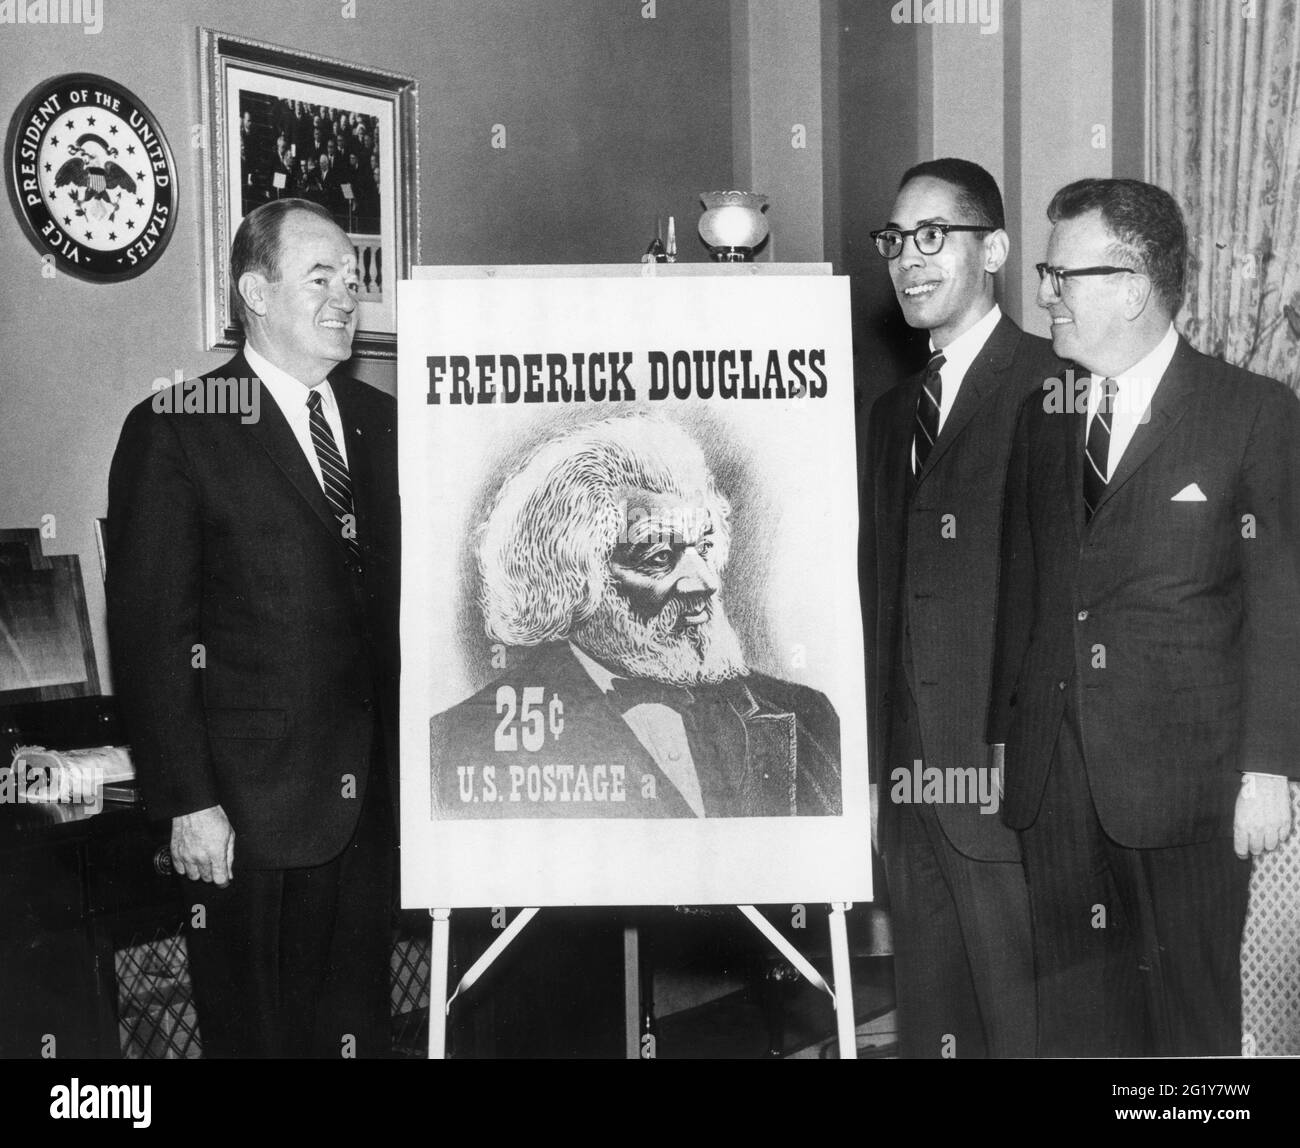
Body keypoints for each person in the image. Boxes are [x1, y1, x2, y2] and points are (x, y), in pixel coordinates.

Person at [991, 177, 1300, 1057]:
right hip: (1055, 787)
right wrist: (1006, 755)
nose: (1043, 294)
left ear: (1130, 287)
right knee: (1079, 1031)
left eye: (1060, 276)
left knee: (1188, 1032)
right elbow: (1028, 597)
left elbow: (1285, 601)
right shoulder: (1040, 418)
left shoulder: (1253, 415)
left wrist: (1270, 768)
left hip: (1186, 792)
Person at [106, 198, 400, 1059]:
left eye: (354, 278)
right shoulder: (176, 428)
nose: (348, 294)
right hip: (247, 819)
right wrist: (188, 802)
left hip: (370, 812)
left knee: (358, 1034)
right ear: (255, 292)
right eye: (322, 276)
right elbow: (153, 636)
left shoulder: (381, 428)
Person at [862, 158, 1057, 1059]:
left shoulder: (1053, 388)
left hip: (1008, 794)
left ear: (999, 249)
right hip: (912, 797)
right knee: (935, 1032)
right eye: (897, 240)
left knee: (1027, 1034)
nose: (910, 260)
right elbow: (879, 598)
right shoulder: (891, 412)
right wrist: (874, 777)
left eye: (934, 235)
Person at [430, 414, 842, 820]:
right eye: (659, 557)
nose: (703, 583)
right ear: (574, 581)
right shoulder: (460, 741)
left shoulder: (807, 716)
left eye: (702, 548)